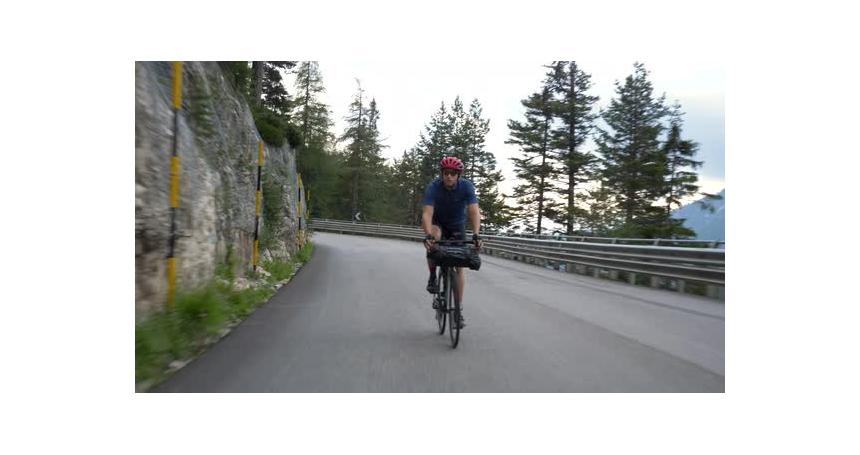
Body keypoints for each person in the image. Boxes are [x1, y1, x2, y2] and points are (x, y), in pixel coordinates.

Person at [422, 155, 483, 328]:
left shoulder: (466, 187)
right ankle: (433, 276)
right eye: (446, 173)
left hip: (457, 225)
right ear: (442, 173)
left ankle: (458, 310)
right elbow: (427, 213)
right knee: (434, 237)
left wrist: (476, 234)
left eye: (453, 173)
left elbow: (474, 211)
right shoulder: (433, 187)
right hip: (438, 223)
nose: (449, 176)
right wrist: (428, 235)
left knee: (460, 266)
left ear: (458, 175)